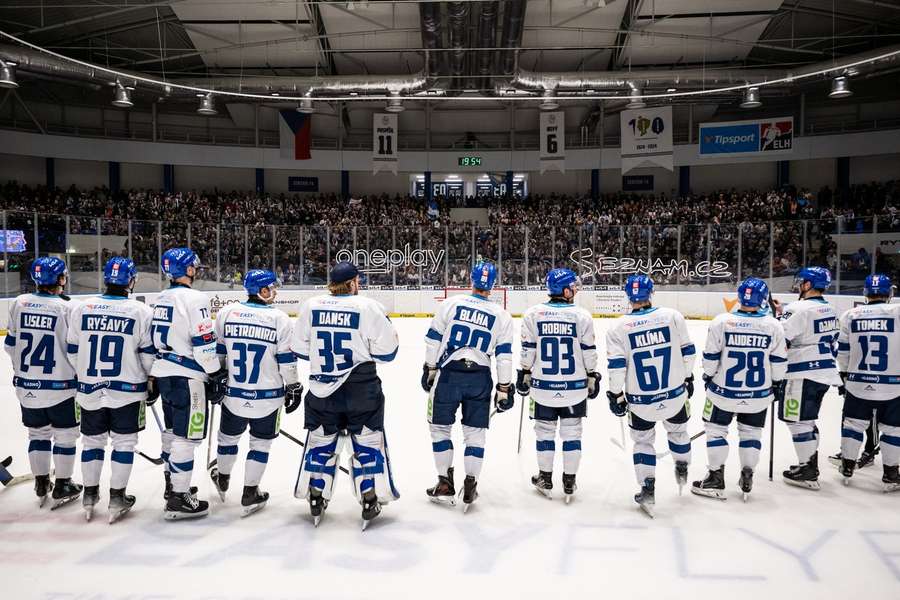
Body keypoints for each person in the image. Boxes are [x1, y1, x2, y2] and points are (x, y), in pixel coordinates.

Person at [292, 261, 399, 529]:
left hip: (321, 390)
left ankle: (315, 496)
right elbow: (388, 352)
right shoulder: (368, 307)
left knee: (320, 443)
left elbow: (299, 348)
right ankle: (369, 498)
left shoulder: (311, 305)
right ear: (352, 283)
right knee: (367, 443)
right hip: (361, 389)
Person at [66, 257, 155, 523]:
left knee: (92, 442)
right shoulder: (141, 311)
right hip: (128, 390)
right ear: (131, 281)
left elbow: (73, 351)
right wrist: (150, 380)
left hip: (89, 389)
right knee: (124, 442)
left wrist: (86, 375)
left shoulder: (82, 308)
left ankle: (90, 495)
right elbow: (147, 356)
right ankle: (117, 498)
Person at [421, 261, 514, 512]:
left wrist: (430, 368)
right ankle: (471, 483)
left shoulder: (451, 304)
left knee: (440, 429)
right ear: (493, 284)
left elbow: (433, 341)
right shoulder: (502, 315)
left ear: (471, 280)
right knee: (475, 434)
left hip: (449, 374)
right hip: (480, 378)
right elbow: (504, 356)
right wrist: (504, 388)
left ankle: (444, 483)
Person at [211, 269, 303, 516]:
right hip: (268, 398)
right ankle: (250, 493)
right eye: (272, 288)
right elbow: (287, 361)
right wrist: (294, 386)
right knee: (260, 444)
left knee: (227, 439)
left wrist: (216, 377)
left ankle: (222, 477)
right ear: (262, 291)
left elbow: (219, 353)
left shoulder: (226, 313)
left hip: (234, 394)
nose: (275, 292)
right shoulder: (280, 319)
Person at [606, 274, 696, 516]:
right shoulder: (672, 316)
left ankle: (647, 489)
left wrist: (616, 395)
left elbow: (617, 368)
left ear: (628, 296)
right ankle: (682, 466)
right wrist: (688, 378)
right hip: (674, 395)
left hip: (641, 401)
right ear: (651, 293)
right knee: (678, 432)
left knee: (643, 441)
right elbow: (688, 353)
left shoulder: (617, 327)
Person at [692, 277, 787, 501]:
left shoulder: (721, 321)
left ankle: (715, 478)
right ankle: (747, 475)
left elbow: (710, 358)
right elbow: (779, 363)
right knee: (751, 433)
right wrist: (776, 384)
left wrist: (708, 376)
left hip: (723, 391)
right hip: (758, 394)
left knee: (716, 430)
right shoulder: (773, 325)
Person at [151, 247, 226, 520]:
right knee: (186, 438)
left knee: (172, 432)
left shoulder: (161, 298)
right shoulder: (196, 298)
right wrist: (215, 373)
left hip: (164, 373)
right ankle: (179, 497)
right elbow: (204, 343)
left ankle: (172, 485)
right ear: (189, 270)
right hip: (188, 376)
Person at [5, 257, 82, 508]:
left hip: (27, 386)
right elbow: (75, 350)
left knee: (37, 434)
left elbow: (10, 345)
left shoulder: (19, 303)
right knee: (65, 436)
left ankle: (41, 482)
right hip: (61, 387)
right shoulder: (68, 308)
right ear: (60, 279)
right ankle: (63, 484)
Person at [517, 268, 600, 502]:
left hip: (542, 387)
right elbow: (589, 352)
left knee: (544, 431)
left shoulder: (533, 314)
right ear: (565, 291)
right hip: (574, 388)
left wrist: (524, 372)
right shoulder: (582, 316)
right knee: (572, 432)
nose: (575, 290)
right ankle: (569, 480)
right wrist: (592, 375)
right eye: (572, 287)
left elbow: (528, 350)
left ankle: (545, 477)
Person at [772, 266, 841, 490]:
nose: (798, 285)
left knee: (797, 420)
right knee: (807, 420)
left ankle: (808, 470)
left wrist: (775, 318)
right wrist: (783, 312)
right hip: (825, 372)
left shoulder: (798, 308)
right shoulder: (830, 308)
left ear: (808, 284)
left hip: (801, 372)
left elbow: (781, 338)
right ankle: (809, 462)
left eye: (801, 282)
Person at [835, 274, 900, 492]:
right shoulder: (897, 312)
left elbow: (843, 352)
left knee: (853, 425)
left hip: (857, 382)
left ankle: (847, 466)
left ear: (865, 292)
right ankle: (891, 473)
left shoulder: (850, 315)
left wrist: (845, 375)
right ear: (889, 293)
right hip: (893, 384)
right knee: (892, 430)